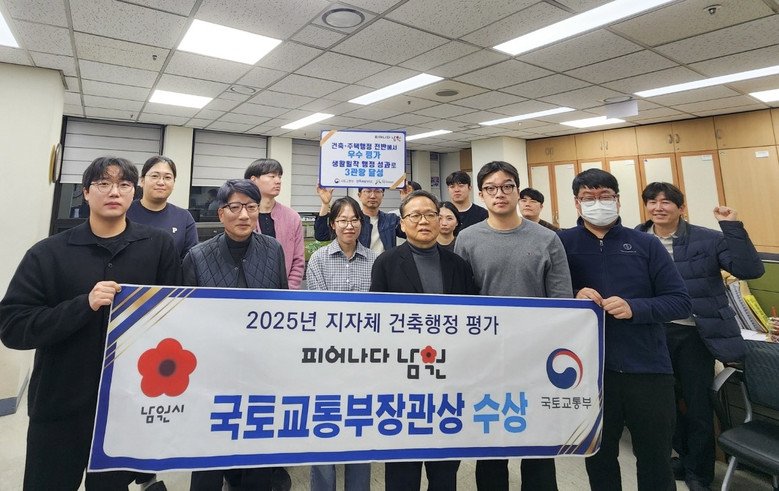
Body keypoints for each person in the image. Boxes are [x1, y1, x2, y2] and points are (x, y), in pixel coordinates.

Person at [0, 156, 181, 491]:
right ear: (85, 192)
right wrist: (83, 305)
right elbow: (13, 327)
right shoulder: (48, 253)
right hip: (59, 404)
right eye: (103, 183)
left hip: (126, 405)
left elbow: (174, 320)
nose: (114, 192)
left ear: (134, 192)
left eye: (123, 184)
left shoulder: (158, 247)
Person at [557, 169, 691, 491]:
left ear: (617, 200)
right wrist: (572, 296)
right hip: (590, 372)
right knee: (598, 457)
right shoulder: (561, 243)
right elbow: (546, 296)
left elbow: (680, 302)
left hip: (648, 367)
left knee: (656, 458)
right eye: (588, 197)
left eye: (604, 196)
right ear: (576, 203)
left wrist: (635, 308)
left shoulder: (646, 244)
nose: (597, 203)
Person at [636, 182, 764, 491]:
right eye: (652, 201)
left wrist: (732, 227)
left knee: (697, 405)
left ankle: (699, 472)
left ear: (681, 208)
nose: (658, 207)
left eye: (666, 202)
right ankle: (683, 457)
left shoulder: (708, 239)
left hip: (694, 334)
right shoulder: (636, 239)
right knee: (662, 405)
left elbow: (749, 269)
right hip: (653, 332)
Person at [454, 161, 572, 491]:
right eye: (491, 188)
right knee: (491, 442)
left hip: (537, 357)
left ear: (518, 191)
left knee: (538, 443)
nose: (500, 194)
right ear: (481, 195)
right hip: (487, 358)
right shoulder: (467, 239)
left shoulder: (547, 239)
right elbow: (462, 301)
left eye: (507, 186)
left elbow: (561, 301)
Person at [183, 179, 288, 491]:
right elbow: (186, 320)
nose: (244, 214)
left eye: (251, 207)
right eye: (235, 207)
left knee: (256, 450)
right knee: (208, 454)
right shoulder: (197, 256)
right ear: (221, 213)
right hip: (212, 371)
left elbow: (283, 307)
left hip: (261, 369)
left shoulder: (273, 250)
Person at [371, 190, 478, 490]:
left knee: (444, 472)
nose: (423, 221)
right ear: (402, 224)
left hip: (448, 382)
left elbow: (470, 319)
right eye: (415, 215)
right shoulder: (386, 263)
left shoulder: (458, 264)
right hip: (402, 382)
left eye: (430, 214)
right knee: (402, 471)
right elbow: (376, 322)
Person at [306, 195, 376, 491]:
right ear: (332, 224)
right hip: (326, 359)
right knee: (324, 429)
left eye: (354, 220)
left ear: (362, 223)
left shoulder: (375, 260)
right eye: (343, 220)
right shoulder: (318, 259)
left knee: (360, 430)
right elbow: (319, 313)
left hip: (364, 361)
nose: (349, 226)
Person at [245, 158, 304, 290]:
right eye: (272, 176)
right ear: (253, 180)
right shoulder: (243, 216)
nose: (278, 181)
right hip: (248, 293)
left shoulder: (292, 217)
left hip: (283, 293)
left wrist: (289, 291)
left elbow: (298, 261)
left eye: (279, 177)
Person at [127, 155, 198, 259]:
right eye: (154, 176)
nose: (161, 182)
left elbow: (190, 260)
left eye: (167, 177)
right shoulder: (125, 212)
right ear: (142, 181)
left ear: (173, 183)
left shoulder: (184, 218)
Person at [314, 184, 405, 254]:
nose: (372, 196)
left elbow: (409, 232)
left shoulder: (391, 220)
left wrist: (407, 203)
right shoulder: (353, 222)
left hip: (385, 269)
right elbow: (321, 235)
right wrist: (325, 204)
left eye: (377, 191)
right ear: (359, 195)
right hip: (359, 268)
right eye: (368, 191)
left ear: (383, 195)